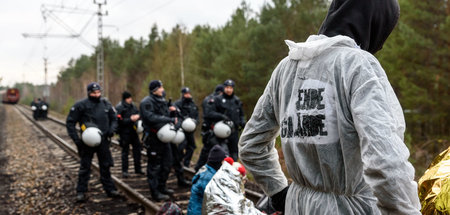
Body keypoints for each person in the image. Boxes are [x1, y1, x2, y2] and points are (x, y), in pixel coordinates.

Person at [238, 0, 421, 214]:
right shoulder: (359, 67)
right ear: (375, 25)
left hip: (297, 206)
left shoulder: (286, 69)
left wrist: (279, 193)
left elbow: (251, 144)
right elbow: (386, 162)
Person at [66, 82, 120, 202]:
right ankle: (81, 191)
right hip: (87, 142)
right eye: (94, 93)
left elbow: (114, 118)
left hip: (104, 140)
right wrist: (77, 140)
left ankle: (110, 189)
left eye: (98, 92)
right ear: (89, 93)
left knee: (106, 166)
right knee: (85, 167)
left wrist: (112, 129)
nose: (97, 95)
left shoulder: (106, 104)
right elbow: (70, 123)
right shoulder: (80, 105)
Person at [140, 80, 176, 201]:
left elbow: (166, 116)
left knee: (167, 163)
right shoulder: (147, 102)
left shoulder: (162, 101)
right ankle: (155, 192)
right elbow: (150, 118)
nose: (163, 89)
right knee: (154, 166)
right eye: (161, 87)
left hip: (164, 138)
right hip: (153, 138)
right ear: (155, 89)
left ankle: (162, 187)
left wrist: (172, 113)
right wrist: (167, 119)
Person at [207, 79, 245, 161]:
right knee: (222, 154)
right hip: (221, 132)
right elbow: (210, 113)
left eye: (231, 88)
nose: (229, 90)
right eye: (227, 87)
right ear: (224, 88)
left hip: (234, 132)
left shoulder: (237, 101)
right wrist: (221, 116)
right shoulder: (217, 99)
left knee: (234, 153)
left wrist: (242, 122)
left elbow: (241, 114)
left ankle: (231, 171)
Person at [187, 145, 227, 215]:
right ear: (218, 162)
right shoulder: (207, 178)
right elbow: (215, 198)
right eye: (223, 161)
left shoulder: (208, 170)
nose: (224, 164)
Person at [194, 84, 224, 172]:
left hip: (212, 129)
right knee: (207, 150)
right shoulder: (211, 100)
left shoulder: (212, 99)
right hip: (209, 130)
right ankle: (199, 169)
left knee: (208, 150)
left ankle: (201, 168)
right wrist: (222, 116)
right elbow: (209, 114)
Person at [115, 91, 143, 178]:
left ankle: (138, 169)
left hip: (134, 132)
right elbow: (119, 121)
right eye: (128, 98)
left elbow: (139, 114)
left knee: (137, 151)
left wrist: (138, 117)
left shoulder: (133, 106)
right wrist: (130, 119)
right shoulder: (120, 107)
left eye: (130, 98)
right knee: (125, 152)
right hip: (124, 133)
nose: (130, 99)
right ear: (125, 99)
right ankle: (125, 171)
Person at [174, 87, 199, 168]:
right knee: (181, 146)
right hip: (181, 129)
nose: (187, 95)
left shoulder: (193, 105)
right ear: (182, 94)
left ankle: (186, 163)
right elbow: (176, 116)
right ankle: (178, 161)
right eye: (185, 94)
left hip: (190, 130)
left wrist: (195, 122)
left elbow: (197, 116)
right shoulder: (177, 104)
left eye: (188, 93)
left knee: (191, 147)